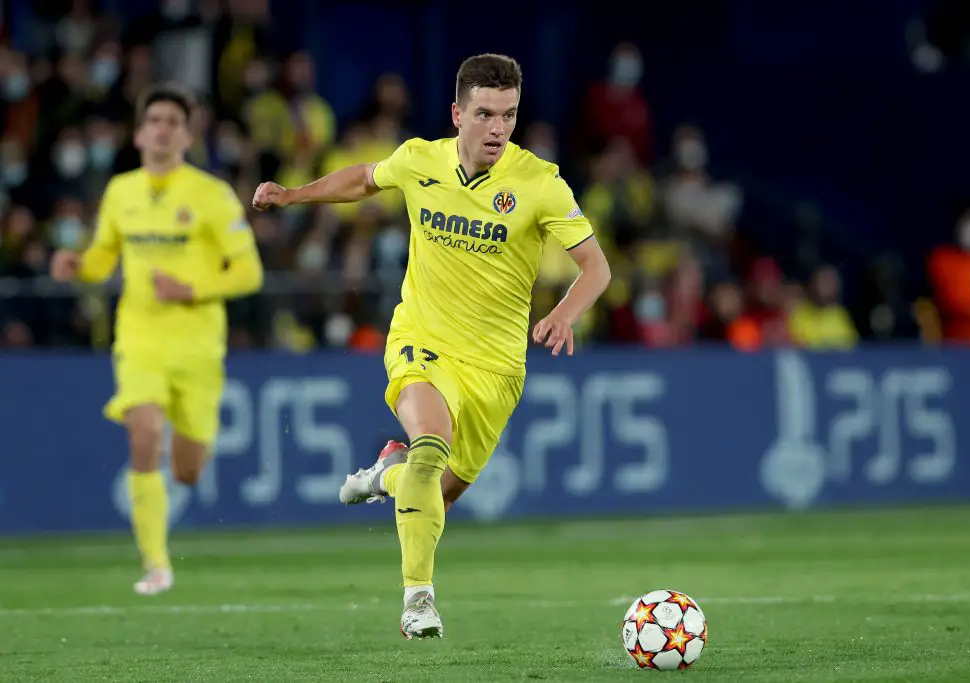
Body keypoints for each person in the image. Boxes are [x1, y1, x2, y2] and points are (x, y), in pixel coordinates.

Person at [253, 53, 611, 639]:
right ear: (458, 113)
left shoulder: (540, 183)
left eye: (509, 115)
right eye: (485, 114)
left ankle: (384, 476)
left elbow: (595, 268)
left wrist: (565, 313)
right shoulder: (420, 159)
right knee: (430, 447)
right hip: (423, 341)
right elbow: (363, 179)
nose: (498, 128)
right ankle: (418, 599)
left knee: (435, 491)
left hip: (497, 369)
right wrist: (293, 195)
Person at [50, 83, 265, 596]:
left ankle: (179, 480)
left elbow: (249, 272)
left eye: (174, 121)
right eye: (155, 120)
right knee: (142, 433)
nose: (163, 128)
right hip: (138, 338)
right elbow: (104, 255)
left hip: (197, 347)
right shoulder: (121, 190)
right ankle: (156, 564)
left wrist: (192, 289)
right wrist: (79, 265)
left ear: (187, 135)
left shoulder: (211, 194)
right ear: (141, 131)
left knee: (188, 470)